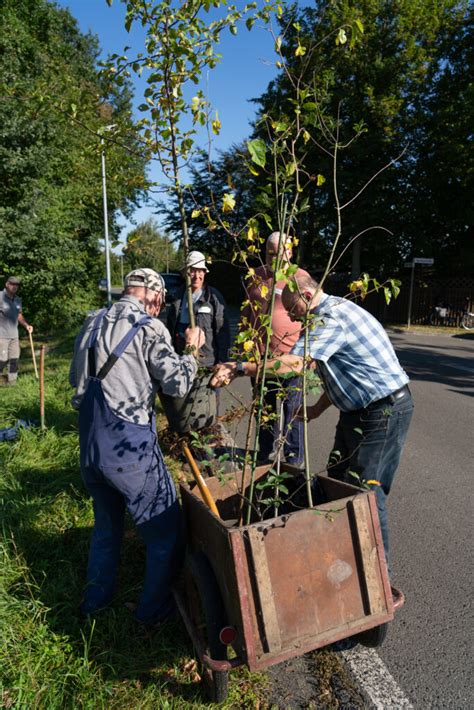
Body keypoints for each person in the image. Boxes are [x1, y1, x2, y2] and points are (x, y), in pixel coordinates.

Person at [212, 274, 413, 579]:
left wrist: (241, 367)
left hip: (383, 411)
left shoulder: (330, 319)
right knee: (337, 479)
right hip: (359, 411)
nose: (290, 317)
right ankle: (344, 553)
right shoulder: (331, 312)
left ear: (306, 296)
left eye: (292, 309)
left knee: (367, 492)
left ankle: (377, 576)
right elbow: (344, 369)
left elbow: (294, 363)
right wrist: (318, 409)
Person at [70, 267, 203, 625]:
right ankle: (153, 613)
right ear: (155, 298)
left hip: (90, 450)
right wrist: (191, 352)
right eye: (159, 303)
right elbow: (175, 384)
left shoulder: (92, 321)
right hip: (129, 449)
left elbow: (74, 385)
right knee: (165, 531)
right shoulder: (149, 326)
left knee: (107, 528)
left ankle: (94, 604)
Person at [240, 232, 310, 466]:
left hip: (291, 359)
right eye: (269, 253)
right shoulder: (256, 276)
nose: (272, 258)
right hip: (261, 358)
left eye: (278, 253)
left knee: (292, 409)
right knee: (264, 409)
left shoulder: (299, 278)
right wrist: (244, 347)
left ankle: (293, 458)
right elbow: (247, 311)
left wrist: (310, 355)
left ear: (289, 252)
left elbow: (310, 317)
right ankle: (264, 454)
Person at [166, 250, 230, 368]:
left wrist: (222, 362)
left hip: (207, 364)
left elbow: (223, 333)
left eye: (200, 271)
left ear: (205, 273)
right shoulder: (177, 297)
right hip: (180, 360)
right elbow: (170, 329)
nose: (197, 276)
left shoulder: (213, 298)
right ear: (185, 273)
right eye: (192, 271)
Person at [0, 276, 33, 385]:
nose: (15, 286)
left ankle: (12, 382)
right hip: (1, 336)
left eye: (17, 285)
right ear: (7, 284)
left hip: (14, 335)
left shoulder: (18, 300)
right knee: (2, 359)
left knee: (14, 359)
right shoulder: (0, 297)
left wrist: (26, 325)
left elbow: (19, 315)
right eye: (12, 284)